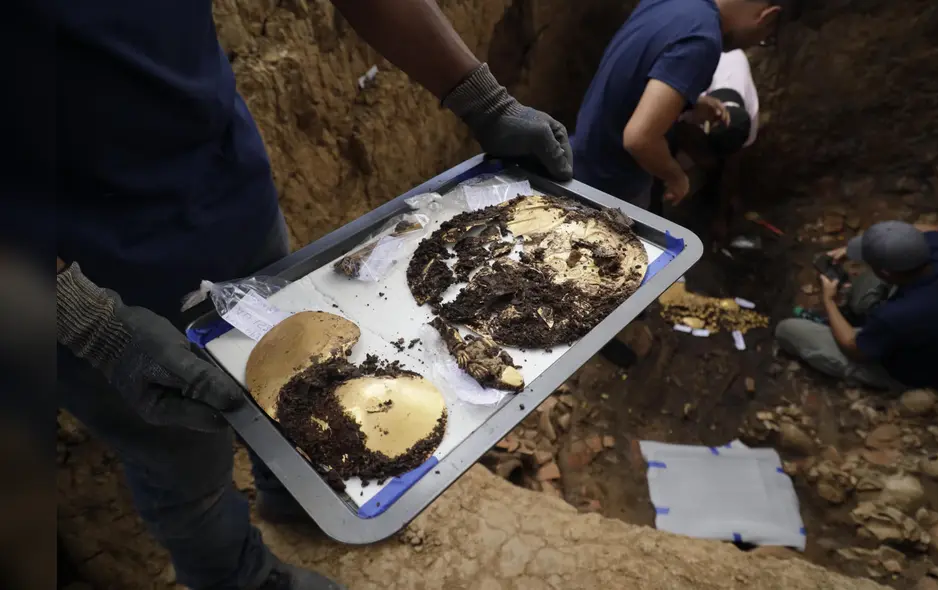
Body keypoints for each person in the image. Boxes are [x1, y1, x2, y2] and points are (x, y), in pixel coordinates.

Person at [44, 1, 572, 589]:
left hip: (226, 191)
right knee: (181, 461)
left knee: (302, 369)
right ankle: (237, 577)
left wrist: (483, 99)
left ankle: (297, 490)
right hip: (79, 271)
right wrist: (88, 322)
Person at [571, 0, 791, 208]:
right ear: (768, 17)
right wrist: (675, 176)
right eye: (764, 39)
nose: (756, 42)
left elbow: (636, 75)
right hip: (609, 190)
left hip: (579, 159)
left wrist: (686, 102)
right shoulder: (703, 39)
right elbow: (639, 138)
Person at [776, 221, 938, 391]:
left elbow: (853, 348)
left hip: (922, 368)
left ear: (886, 272)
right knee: (862, 302)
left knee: (787, 330)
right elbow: (926, 228)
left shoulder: (897, 315)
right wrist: (869, 246)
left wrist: (829, 301)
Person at [663, 49, 759, 239]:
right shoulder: (689, 97)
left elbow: (733, 167)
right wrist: (673, 176)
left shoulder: (751, 118)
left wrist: (721, 216)